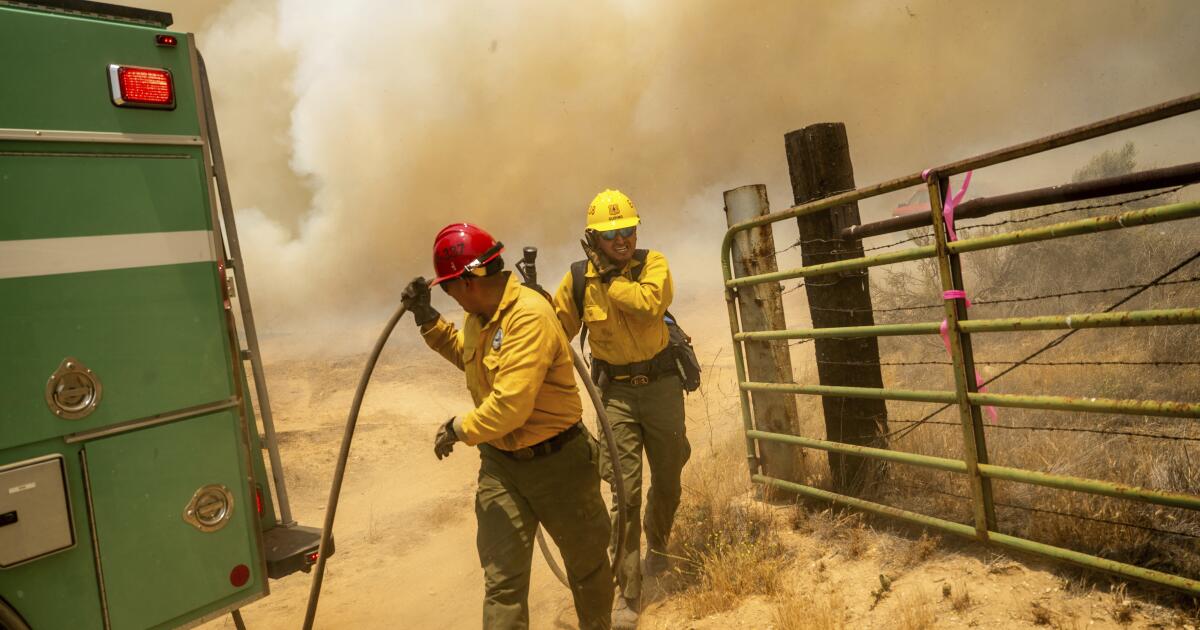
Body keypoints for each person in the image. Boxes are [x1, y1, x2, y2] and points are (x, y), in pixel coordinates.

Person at [401, 223, 612, 630]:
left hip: (560, 464)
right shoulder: (479, 315)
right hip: (502, 466)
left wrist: (458, 428)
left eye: (447, 289)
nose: (447, 296)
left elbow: (510, 407)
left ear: (469, 281)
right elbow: (469, 356)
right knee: (503, 584)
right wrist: (428, 319)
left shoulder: (529, 316)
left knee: (586, 569)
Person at [552, 189, 691, 629]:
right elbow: (554, 333)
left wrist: (611, 279)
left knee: (668, 479)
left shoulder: (654, 265)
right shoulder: (578, 281)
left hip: (663, 388)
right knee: (626, 494)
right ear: (594, 238)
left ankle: (659, 547)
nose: (623, 240)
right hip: (616, 396)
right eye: (613, 234)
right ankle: (628, 593)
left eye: (628, 230)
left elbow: (650, 305)